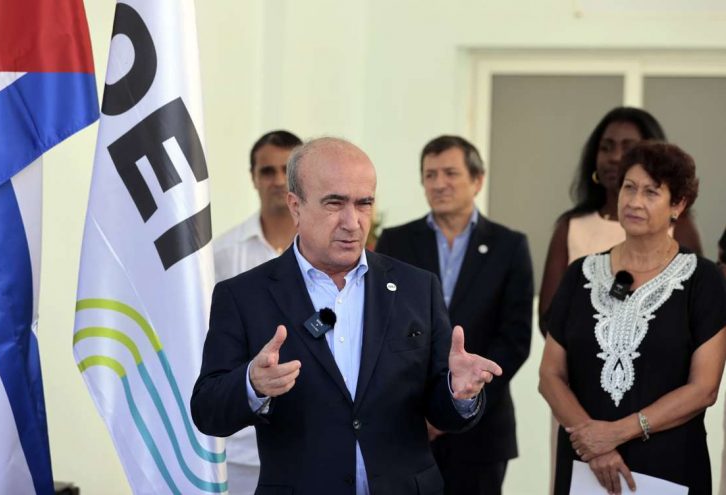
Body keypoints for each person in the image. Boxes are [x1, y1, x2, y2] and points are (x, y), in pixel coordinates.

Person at [191, 137, 503, 494]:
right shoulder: (244, 295)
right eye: (334, 203)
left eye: (364, 203)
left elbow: (441, 409)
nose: (352, 222)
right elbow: (207, 409)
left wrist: (458, 392)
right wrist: (252, 384)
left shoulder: (417, 289)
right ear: (295, 206)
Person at [538, 141, 726, 495]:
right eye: (629, 187)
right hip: (586, 468)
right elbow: (549, 375)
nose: (635, 201)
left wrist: (616, 433)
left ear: (678, 205)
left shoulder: (703, 279)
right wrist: (595, 444)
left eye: (652, 192)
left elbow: (704, 388)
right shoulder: (582, 274)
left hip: (669, 469)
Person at [375, 135, 533, 495]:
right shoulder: (396, 242)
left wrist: (462, 397)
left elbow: (515, 338)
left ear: (477, 180)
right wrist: (426, 409)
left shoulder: (509, 246)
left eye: (450, 173)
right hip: (408, 421)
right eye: (430, 175)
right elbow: (382, 328)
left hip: (482, 427)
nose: (439, 183)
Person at [538, 107, 703, 336]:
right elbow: (549, 316)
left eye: (628, 148)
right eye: (606, 148)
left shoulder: (680, 227)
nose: (615, 157)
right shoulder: (571, 226)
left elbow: (697, 313)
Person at [210, 129, 302, 494]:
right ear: (253, 177)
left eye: (286, 170)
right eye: (267, 171)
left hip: (315, 440)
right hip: (241, 446)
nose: (278, 181)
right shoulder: (223, 254)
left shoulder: (331, 256)